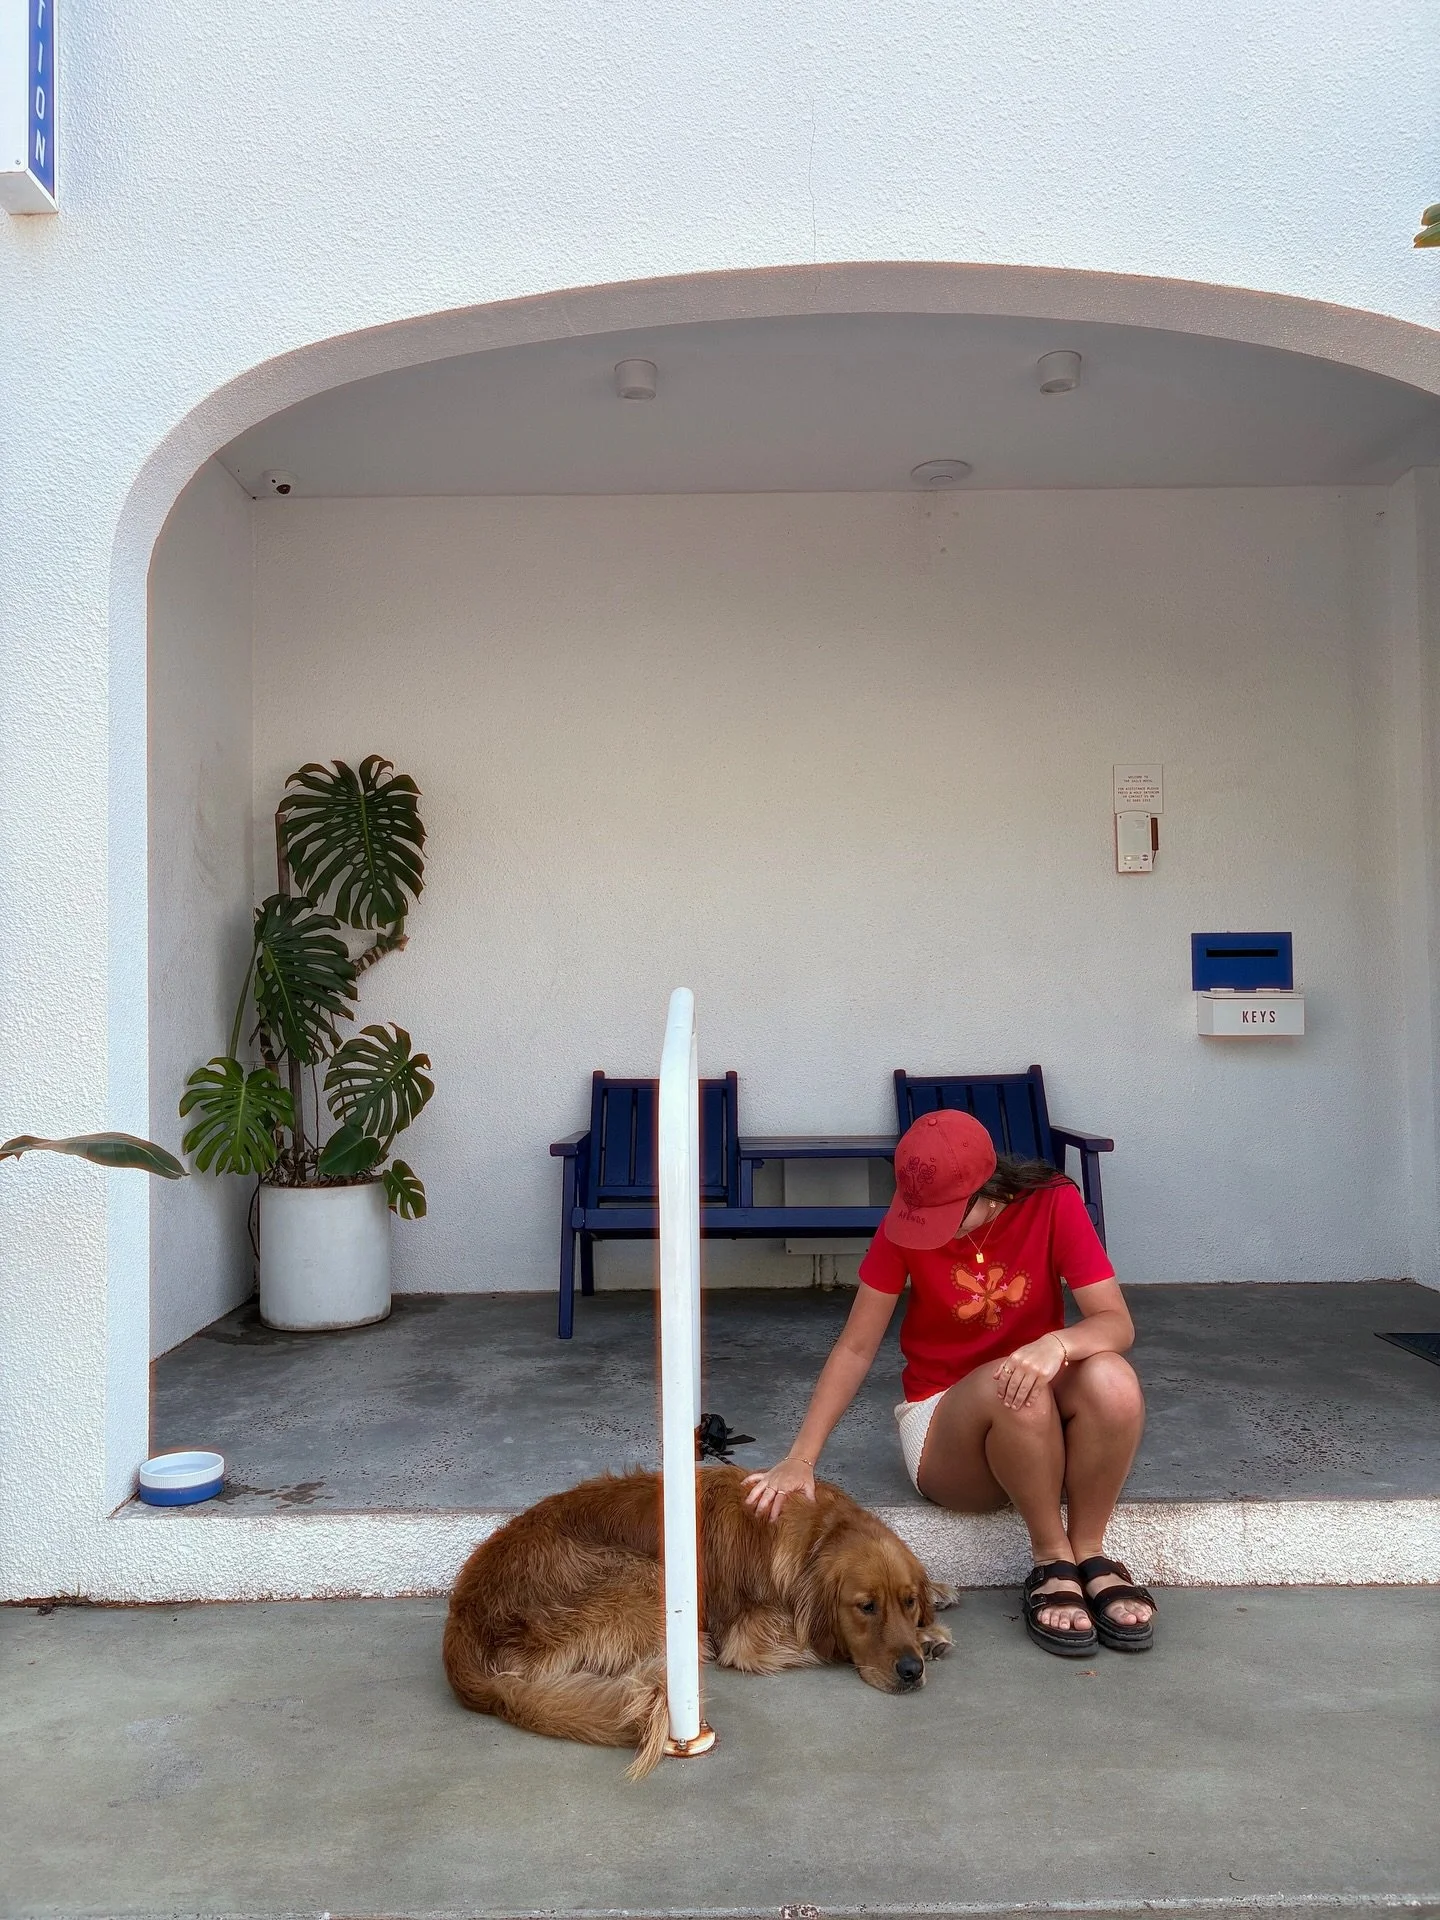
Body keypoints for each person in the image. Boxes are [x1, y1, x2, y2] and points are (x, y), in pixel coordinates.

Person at [744, 1108, 1157, 1656]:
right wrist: (802, 1456)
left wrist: (1057, 1344)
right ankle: (1050, 1561)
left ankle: (1090, 1552)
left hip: (1033, 1413)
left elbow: (1115, 1323)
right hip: (945, 1428)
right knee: (1016, 1386)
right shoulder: (906, 1220)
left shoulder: (1053, 1200)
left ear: (988, 1191)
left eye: (944, 1213)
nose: (926, 1226)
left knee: (1112, 1377)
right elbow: (856, 1346)